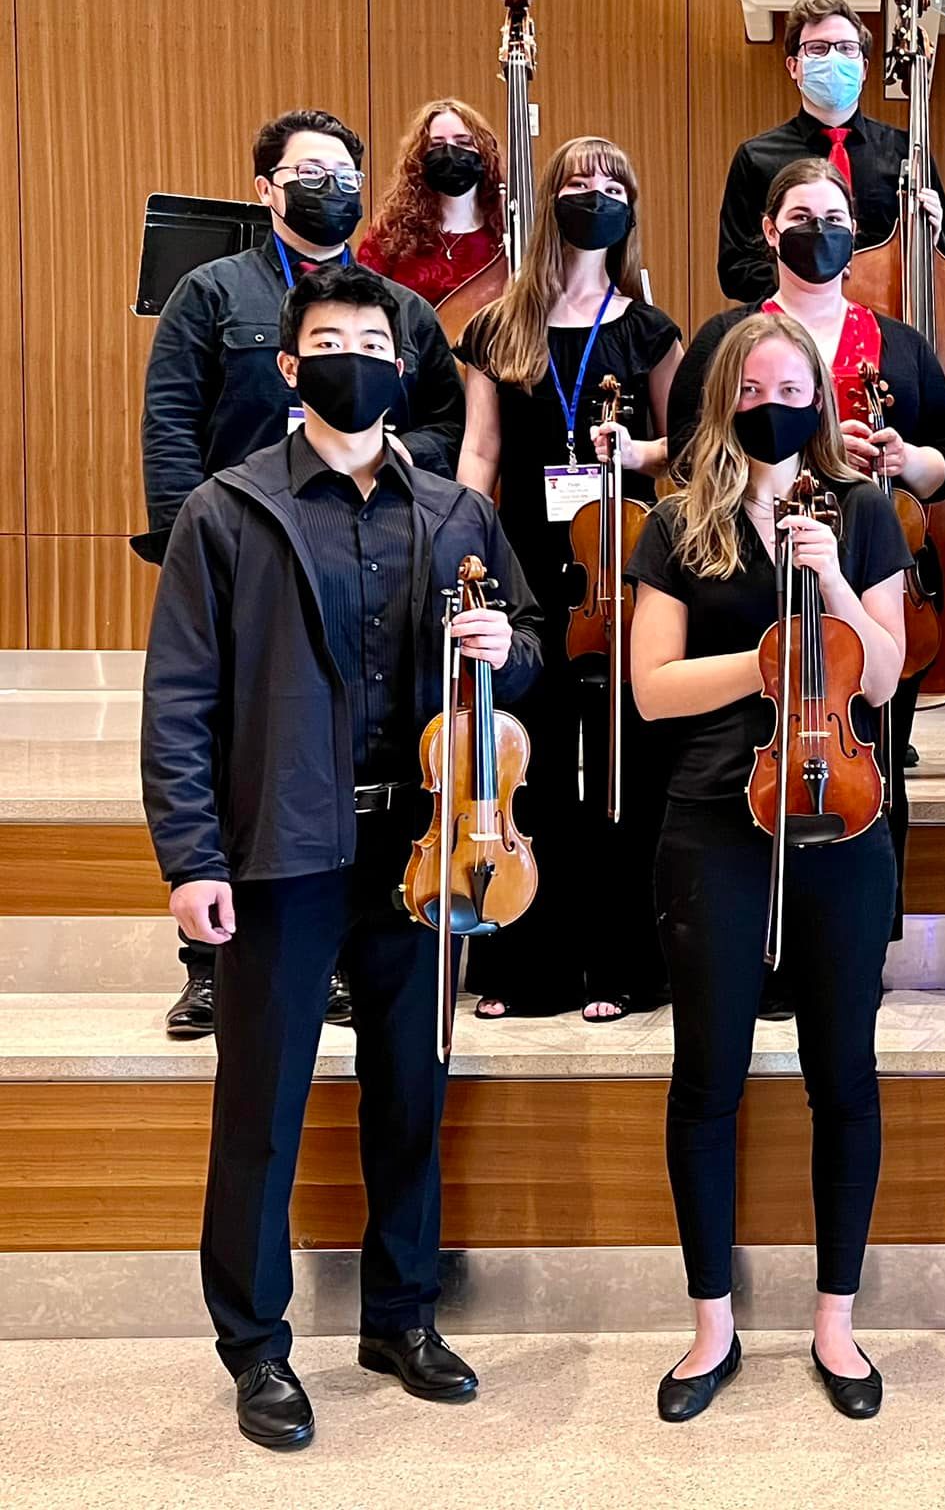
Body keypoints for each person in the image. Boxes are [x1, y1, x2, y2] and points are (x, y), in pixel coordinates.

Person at [139, 264, 542, 1450]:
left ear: (403, 364)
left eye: (373, 339)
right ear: (288, 365)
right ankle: (256, 1343)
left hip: (425, 845)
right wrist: (191, 854)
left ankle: (400, 1314)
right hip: (282, 849)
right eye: (329, 339)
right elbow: (180, 702)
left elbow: (520, 650)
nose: (353, 356)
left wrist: (501, 644)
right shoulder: (225, 510)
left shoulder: (457, 514)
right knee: (260, 1104)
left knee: (410, 1087)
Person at [628, 312, 908, 1422]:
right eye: (752, 381)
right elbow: (649, 689)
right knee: (709, 1076)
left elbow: (882, 678)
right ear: (723, 398)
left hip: (839, 813)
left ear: (820, 397)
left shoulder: (865, 512)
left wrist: (831, 582)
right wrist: (759, 660)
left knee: (845, 1073)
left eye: (791, 380)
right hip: (711, 815)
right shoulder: (676, 525)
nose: (772, 397)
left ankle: (835, 1322)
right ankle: (711, 1326)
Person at [136, 107, 467, 1041]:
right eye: (310, 172)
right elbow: (171, 426)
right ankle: (212, 965)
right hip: (246, 553)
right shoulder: (211, 291)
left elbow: (443, 420)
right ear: (265, 188)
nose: (332, 188)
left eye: (345, 174)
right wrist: (183, 542)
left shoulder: (394, 308)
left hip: (361, 542)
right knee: (242, 752)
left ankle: (349, 954)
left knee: (339, 747)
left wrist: (374, 451)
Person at [673, 157, 945, 990]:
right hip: (749, 572)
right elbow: (691, 451)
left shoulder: (898, 342)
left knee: (873, 745)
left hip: (863, 559)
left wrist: (905, 459)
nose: (819, 231)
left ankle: (855, 939)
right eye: (801, 215)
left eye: (834, 216)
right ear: (769, 229)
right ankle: (750, 939)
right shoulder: (729, 339)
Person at [454, 135, 684, 1022]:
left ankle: (621, 965)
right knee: (532, 766)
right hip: (520, 572)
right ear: (549, 200)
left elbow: (686, 451)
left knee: (621, 771)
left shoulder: (649, 328)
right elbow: (481, 451)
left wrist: (638, 451)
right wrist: (461, 554)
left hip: (616, 576)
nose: (595, 193)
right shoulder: (499, 325)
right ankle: (529, 964)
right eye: (580, 181)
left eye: (612, 182)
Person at [715, 0, 945, 303]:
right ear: (794, 66)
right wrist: (812, 284)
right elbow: (735, 268)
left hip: (886, 323)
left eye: (846, 49)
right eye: (817, 49)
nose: (833, 58)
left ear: (864, 68)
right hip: (793, 331)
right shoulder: (755, 158)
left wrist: (932, 243)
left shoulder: (905, 151)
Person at [358, 98, 506, 306]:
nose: (450, 153)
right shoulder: (390, 232)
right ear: (420, 158)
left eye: (463, 143)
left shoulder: (506, 231)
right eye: (437, 145)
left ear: (484, 153)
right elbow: (363, 300)